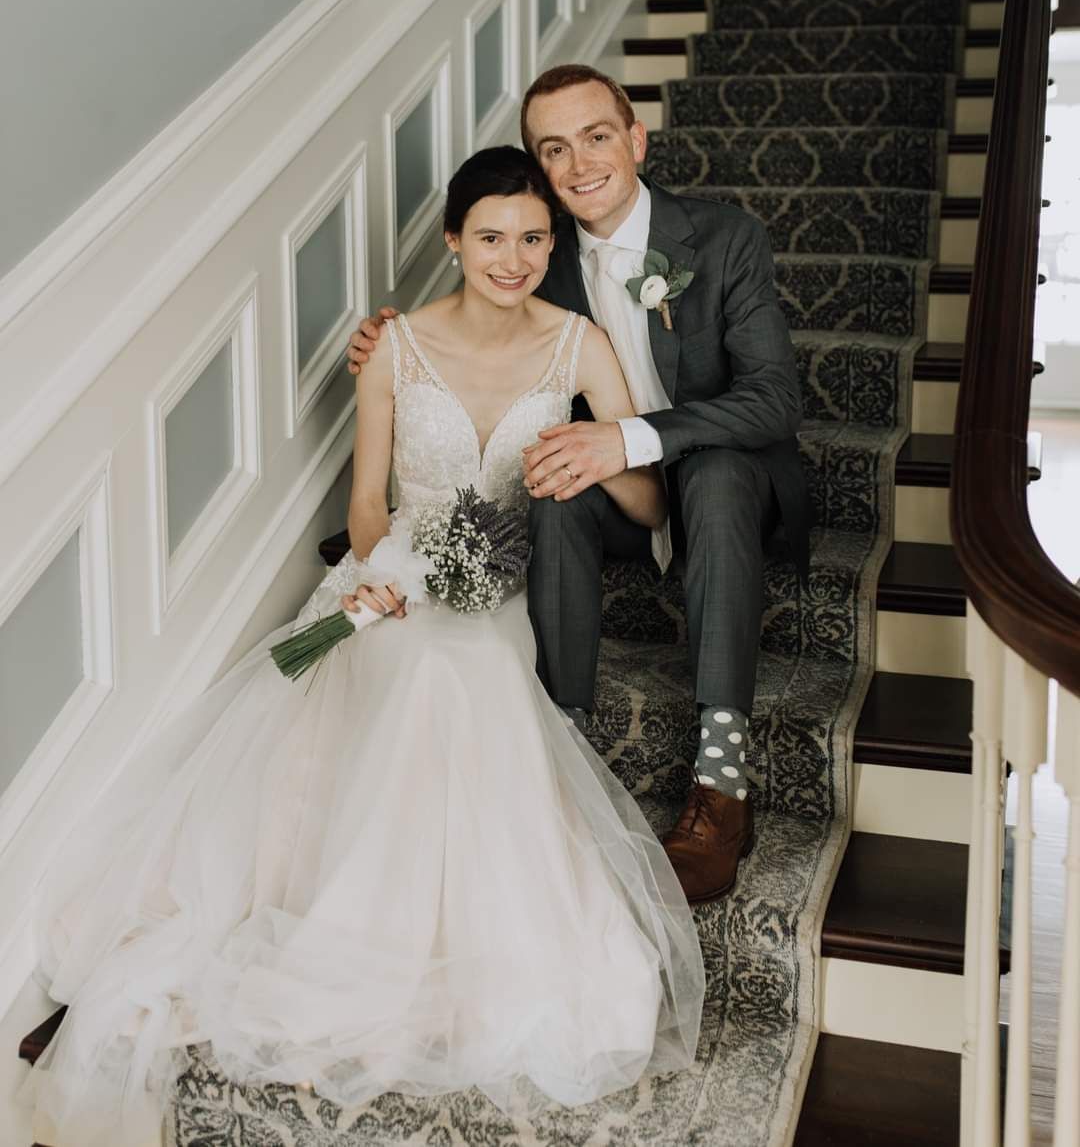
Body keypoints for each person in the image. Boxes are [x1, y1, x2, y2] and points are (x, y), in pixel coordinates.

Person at [21, 145, 704, 1147]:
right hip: (391, 574)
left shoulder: (581, 346)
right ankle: (348, 926)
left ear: (551, 243)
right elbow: (368, 501)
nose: (513, 260)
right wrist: (380, 575)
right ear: (453, 240)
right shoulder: (394, 346)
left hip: (504, 585)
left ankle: (398, 936)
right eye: (491, 238)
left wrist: (596, 457)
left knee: (463, 668)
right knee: (403, 656)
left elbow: (646, 504)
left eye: (533, 239)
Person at [348, 66, 811, 908]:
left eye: (597, 136)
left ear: (636, 140)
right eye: (554, 149)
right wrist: (384, 339)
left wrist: (628, 438)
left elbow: (776, 399)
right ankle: (562, 735)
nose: (579, 162)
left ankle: (720, 781)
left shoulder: (724, 236)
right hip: (621, 498)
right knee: (553, 470)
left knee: (712, 474)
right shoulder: (539, 253)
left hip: (724, 482)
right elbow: (472, 320)